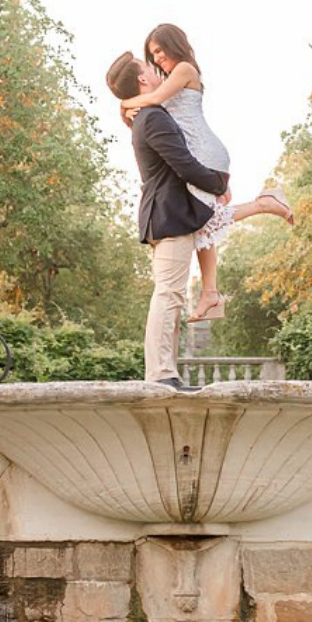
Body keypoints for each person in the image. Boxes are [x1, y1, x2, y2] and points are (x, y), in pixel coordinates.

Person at [119, 23, 294, 321]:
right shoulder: (168, 78)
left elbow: (152, 101)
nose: (157, 58)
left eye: (159, 50)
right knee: (199, 221)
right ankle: (211, 292)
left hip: (203, 150)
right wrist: (129, 112)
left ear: (173, 43)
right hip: (198, 151)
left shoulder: (185, 69)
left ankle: (265, 204)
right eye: (152, 54)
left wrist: (124, 103)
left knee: (204, 218)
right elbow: (150, 114)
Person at [106, 50, 230, 391]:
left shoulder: (145, 116)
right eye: (149, 66)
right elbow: (184, 163)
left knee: (170, 294)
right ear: (143, 79)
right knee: (169, 295)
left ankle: (165, 372)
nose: (157, 68)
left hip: (165, 215)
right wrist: (219, 182)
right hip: (169, 215)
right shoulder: (154, 117)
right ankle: (160, 374)